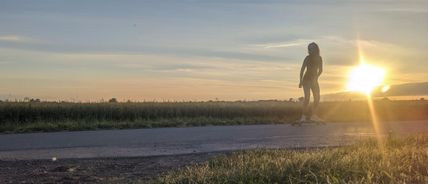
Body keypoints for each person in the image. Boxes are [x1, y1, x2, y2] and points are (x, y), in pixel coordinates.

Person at [299, 42, 323, 122]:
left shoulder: (319, 58)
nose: (311, 49)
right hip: (306, 80)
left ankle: (313, 115)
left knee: (317, 98)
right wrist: (300, 81)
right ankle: (303, 116)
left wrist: (317, 76)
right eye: (310, 48)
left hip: (314, 80)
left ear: (316, 49)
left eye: (312, 48)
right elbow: (302, 69)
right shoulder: (307, 58)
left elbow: (321, 70)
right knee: (307, 97)